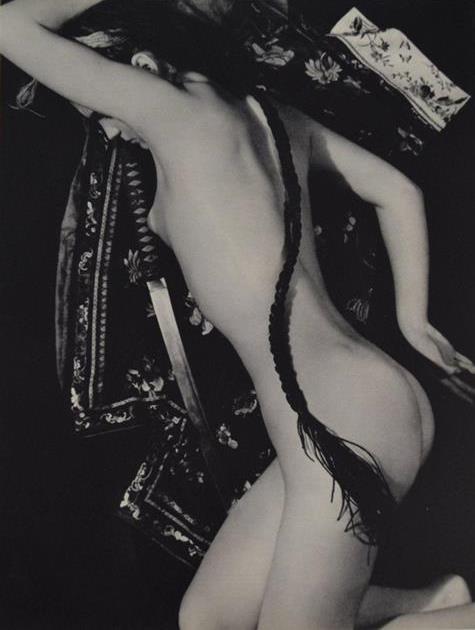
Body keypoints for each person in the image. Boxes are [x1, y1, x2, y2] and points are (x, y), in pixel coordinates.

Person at [2, 1, 475, 628]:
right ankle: (435, 606)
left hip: (343, 420)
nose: (110, 134)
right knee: (209, 618)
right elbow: (396, 191)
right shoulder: (271, 114)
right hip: (349, 408)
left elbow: (7, 25)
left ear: (141, 65)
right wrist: (413, 324)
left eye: (98, 112)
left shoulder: (170, 111)